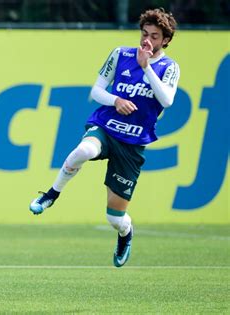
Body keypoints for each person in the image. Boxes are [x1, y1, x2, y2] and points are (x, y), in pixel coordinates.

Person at [29, 8, 179, 268]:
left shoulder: (170, 67)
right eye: (145, 33)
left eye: (155, 36)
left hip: (133, 142)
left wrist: (147, 68)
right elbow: (96, 91)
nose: (147, 40)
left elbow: (166, 100)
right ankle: (51, 194)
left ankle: (125, 233)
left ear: (165, 40)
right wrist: (116, 100)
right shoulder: (120, 54)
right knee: (84, 151)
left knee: (114, 218)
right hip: (107, 126)